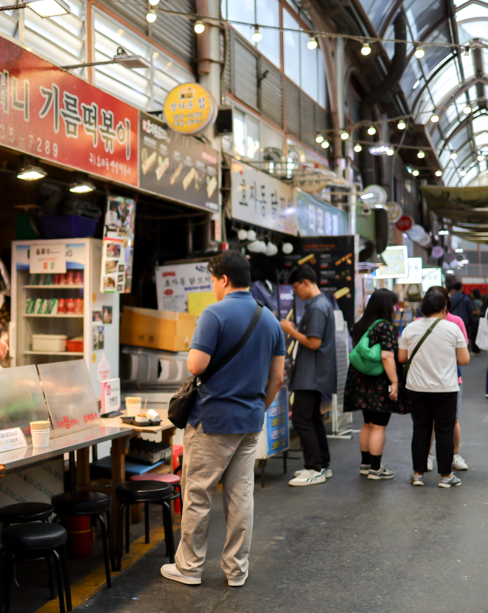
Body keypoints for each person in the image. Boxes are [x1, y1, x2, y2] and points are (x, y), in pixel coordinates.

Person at [162, 252, 285, 589]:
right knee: (241, 496)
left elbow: (196, 366)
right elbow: (277, 378)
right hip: (249, 422)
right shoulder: (271, 320)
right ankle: (236, 570)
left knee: (198, 495)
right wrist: (260, 408)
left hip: (212, 421)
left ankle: (189, 567)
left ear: (223, 279)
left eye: (212, 280)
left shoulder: (213, 314)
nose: (212, 286)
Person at [399, 289, 470, 488]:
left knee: (420, 430)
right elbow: (464, 360)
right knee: (444, 431)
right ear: (444, 307)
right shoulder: (452, 328)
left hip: (417, 388)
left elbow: (402, 358)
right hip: (445, 388)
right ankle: (446, 477)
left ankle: (417, 474)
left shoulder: (410, 328)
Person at [281, 265, 338, 486]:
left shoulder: (316, 307)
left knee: (302, 419)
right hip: (315, 373)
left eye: (296, 287)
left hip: (311, 374)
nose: (295, 292)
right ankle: (322, 464)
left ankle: (313, 468)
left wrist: (290, 330)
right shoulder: (321, 304)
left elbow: (314, 343)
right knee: (313, 419)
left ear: (306, 282)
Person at [344, 289, 403, 480]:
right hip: (378, 382)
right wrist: (395, 381)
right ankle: (376, 469)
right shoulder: (386, 327)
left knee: (368, 424)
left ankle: (365, 464)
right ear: (387, 306)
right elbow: (387, 356)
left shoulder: (361, 325)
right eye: (394, 304)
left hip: (360, 381)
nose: (396, 308)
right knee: (379, 426)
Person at [423, 286, 470, 473]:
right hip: (425, 380)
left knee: (453, 420)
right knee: (429, 423)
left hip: (452, 379)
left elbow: (463, 353)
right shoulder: (421, 322)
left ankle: (454, 455)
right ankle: (427, 455)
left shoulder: (456, 321)